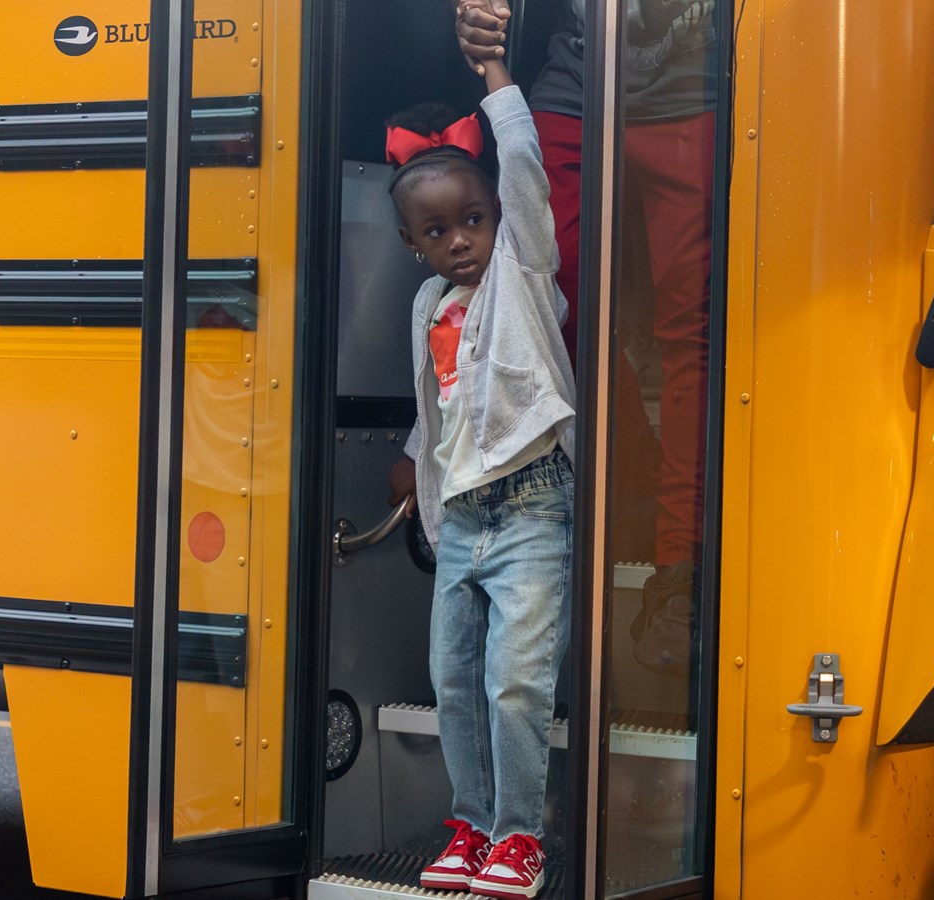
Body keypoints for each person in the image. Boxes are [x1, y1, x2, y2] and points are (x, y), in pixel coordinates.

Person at [454, 0, 716, 680]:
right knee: (541, 303)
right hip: (576, 83)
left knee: (692, 332)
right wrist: (479, 15)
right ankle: (630, 464)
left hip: (698, 84)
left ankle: (679, 576)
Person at [383, 28, 576, 898]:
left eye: (474, 218)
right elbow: (442, 407)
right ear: (412, 244)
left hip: (533, 505)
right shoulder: (429, 304)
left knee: (515, 684)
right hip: (460, 514)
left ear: (501, 217)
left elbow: (527, 165)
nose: (461, 239)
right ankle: (470, 822)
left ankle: (520, 839)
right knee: (454, 683)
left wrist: (494, 73)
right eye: (437, 229)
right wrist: (417, 469)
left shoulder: (523, 275)